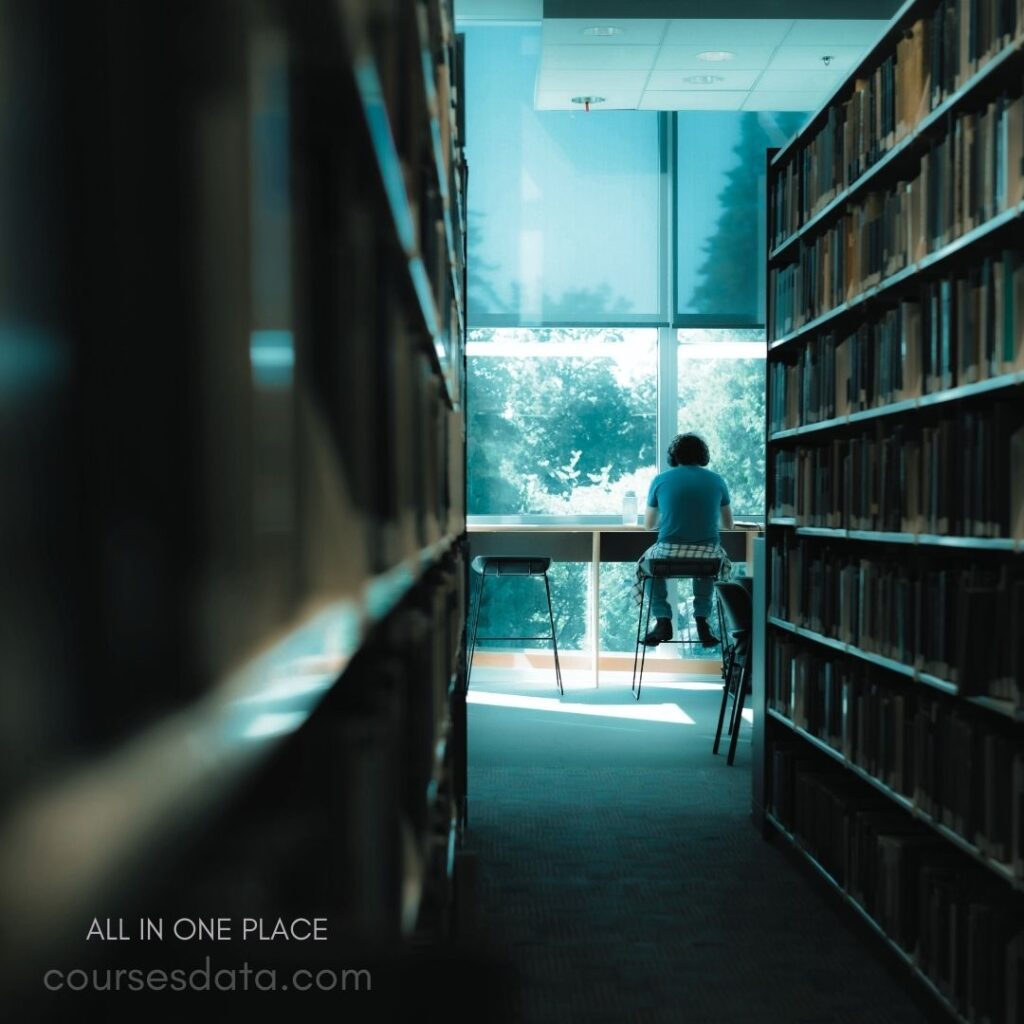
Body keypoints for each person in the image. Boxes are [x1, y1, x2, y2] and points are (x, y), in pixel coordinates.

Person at [634, 432, 733, 647]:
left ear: (674, 456)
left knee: (645, 566)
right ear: (702, 455)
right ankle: (702, 621)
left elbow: (649, 525)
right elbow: (728, 525)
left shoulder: (660, 480)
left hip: (668, 553)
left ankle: (662, 619)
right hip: (707, 554)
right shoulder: (716, 480)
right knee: (709, 564)